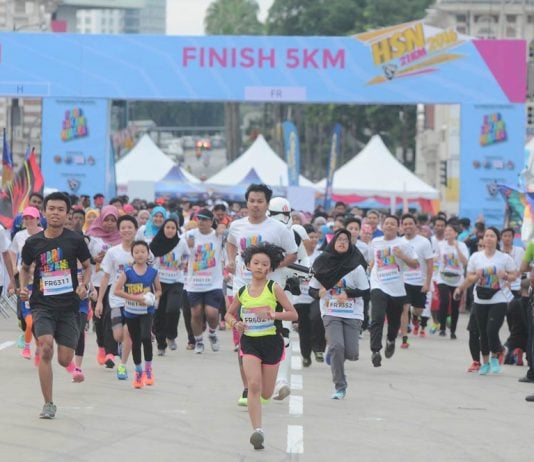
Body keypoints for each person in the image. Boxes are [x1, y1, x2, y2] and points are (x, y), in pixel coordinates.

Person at [19, 192, 91, 419]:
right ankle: (48, 404)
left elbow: (88, 266)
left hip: (69, 307)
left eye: (60, 209)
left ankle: (67, 359)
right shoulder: (33, 242)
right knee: (46, 348)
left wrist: (84, 285)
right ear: (44, 212)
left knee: (64, 359)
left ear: (67, 214)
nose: (55, 213)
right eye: (51, 209)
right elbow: (24, 268)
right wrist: (23, 287)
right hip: (42, 305)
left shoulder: (75, 240)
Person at [226, 184, 298, 404]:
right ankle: (248, 388)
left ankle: (269, 382)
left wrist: (271, 267)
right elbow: (231, 243)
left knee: (270, 335)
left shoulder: (278, 229)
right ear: (246, 202)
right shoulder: (236, 226)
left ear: (267, 204)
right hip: (243, 287)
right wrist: (231, 260)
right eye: (252, 201)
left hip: (268, 291)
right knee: (243, 337)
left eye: (260, 201)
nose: (255, 205)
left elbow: (292, 254)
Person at [224, 243, 298, 450]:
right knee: (254, 385)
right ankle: (257, 431)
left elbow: (293, 314)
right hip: (250, 342)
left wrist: (273, 314)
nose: (259, 267)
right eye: (256, 263)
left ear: (270, 268)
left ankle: (269, 396)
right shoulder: (242, 292)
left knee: (265, 393)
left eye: (264, 264)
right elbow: (228, 314)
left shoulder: (274, 288)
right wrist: (235, 323)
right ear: (248, 265)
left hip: (271, 343)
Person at [309, 229, 369, 399]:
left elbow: (365, 290)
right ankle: (340, 386)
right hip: (330, 311)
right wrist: (318, 293)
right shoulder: (323, 263)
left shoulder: (356, 265)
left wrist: (348, 294)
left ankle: (333, 354)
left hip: (353, 313)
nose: (342, 242)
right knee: (337, 347)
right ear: (333, 242)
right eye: (339, 239)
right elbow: (312, 289)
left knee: (351, 353)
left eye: (346, 240)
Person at [454, 227, 517, 375]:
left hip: (498, 298)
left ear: (497, 239)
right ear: (483, 239)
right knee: (482, 332)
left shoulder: (504, 258)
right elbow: (469, 276)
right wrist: (476, 276)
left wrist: (505, 276)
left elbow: (514, 275)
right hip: (480, 298)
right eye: (487, 236)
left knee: (491, 330)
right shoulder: (476, 257)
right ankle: (486, 362)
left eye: (492, 236)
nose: (489, 238)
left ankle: (495, 357)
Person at [368, 215, 418, 367]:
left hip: (396, 288)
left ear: (398, 227)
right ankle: (375, 351)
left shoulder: (403, 244)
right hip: (378, 284)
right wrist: (370, 268)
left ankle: (391, 340)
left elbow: (415, 264)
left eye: (393, 224)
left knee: (394, 320)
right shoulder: (375, 242)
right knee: (377, 317)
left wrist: (402, 255)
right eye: (387, 223)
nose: (389, 226)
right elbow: (373, 260)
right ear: (382, 226)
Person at [94, 215, 137, 380]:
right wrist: (99, 301)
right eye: (123, 227)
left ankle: (122, 365)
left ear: (135, 229)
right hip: (116, 299)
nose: (126, 230)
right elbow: (106, 277)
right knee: (118, 334)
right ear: (119, 231)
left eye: (130, 227)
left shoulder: (142, 250)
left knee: (129, 333)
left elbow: (150, 275)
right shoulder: (113, 252)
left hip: (135, 300)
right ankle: (118, 346)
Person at [114, 240, 161, 388]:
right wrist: (135, 298)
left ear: (147, 254)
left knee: (146, 337)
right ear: (132, 254)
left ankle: (148, 370)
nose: (140, 254)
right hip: (131, 312)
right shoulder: (127, 272)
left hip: (146, 311)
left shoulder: (153, 272)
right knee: (135, 341)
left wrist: (153, 297)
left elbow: (159, 290)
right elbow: (117, 290)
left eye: (143, 252)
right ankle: (138, 372)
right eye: (136, 252)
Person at [185, 209, 225, 354]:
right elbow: (180, 248)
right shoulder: (190, 234)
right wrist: (187, 245)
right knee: (196, 313)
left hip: (213, 282)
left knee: (212, 313)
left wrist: (223, 227)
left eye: (205, 219)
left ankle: (212, 333)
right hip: (195, 282)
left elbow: (230, 233)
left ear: (211, 221)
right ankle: (198, 341)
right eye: (199, 219)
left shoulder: (217, 235)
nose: (201, 222)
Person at [86, 205, 121, 366]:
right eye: (107, 220)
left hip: (115, 283)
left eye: (113, 220)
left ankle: (110, 352)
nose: (110, 223)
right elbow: (84, 259)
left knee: (110, 316)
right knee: (99, 318)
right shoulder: (92, 237)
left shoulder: (121, 237)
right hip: (96, 283)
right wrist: (95, 259)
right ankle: (101, 346)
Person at [150, 218, 189, 355]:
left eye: (173, 228)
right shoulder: (155, 243)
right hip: (158, 281)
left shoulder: (181, 242)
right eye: (168, 227)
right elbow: (148, 259)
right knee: (159, 314)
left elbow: (187, 255)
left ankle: (171, 336)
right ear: (163, 229)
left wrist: (184, 263)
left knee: (173, 309)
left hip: (176, 281)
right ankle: (161, 344)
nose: (170, 230)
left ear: (176, 230)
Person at [399, 213, 433, 346]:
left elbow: (430, 264)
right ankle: (404, 339)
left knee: (418, 309)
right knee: (404, 309)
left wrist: (427, 283)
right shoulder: (399, 242)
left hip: (420, 282)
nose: (408, 226)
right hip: (404, 281)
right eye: (405, 224)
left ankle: (415, 316)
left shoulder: (424, 242)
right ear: (402, 226)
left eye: (410, 224)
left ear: (415, 225)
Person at [436, 223, 469, 338]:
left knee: (455, 305)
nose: (447, 233)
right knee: (444, 301)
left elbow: (465, 262)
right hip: (443, 277)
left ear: (456, 233)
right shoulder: (440, 244)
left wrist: (457, 248)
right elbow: (436, 258)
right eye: (446, 231)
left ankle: (453, 331)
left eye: (450, 231)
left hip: (457, 279)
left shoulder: (462, 245)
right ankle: (442, 327)